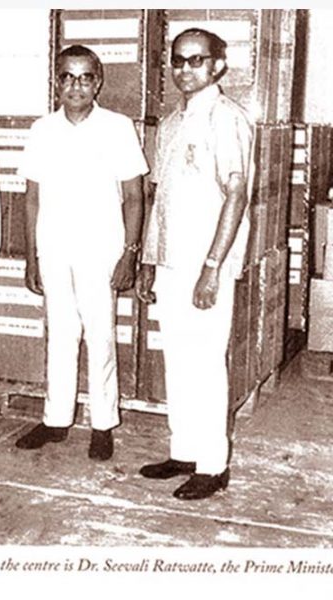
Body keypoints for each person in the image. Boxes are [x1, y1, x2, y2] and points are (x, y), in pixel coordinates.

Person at [15, 45, 149, 461]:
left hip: (101, 250)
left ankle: (103, 423)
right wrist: (32, 257)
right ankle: (56, 420)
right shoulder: (42, 130)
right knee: (60, 334)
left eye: (85, 77)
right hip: (54, 248)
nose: (76, 85)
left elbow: (134, 197)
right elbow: (31, 198)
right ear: (56, 82)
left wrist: (129, 253)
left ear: (98, 82)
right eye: (67, 77)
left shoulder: (118, 127)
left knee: (100, 335)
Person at [136, 28, 253, 499]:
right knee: (179, 361)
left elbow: (236, 195)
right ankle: (184, 450)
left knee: (205, 363)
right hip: (170, 262)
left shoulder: (227, 119)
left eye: (196, 60)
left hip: (207, 265)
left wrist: (211, 267)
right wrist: (148, 261)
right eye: (178, 60)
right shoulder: (170, 124)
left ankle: (212, 465)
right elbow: (160, 198)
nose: (185, 69)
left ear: (218, 65)